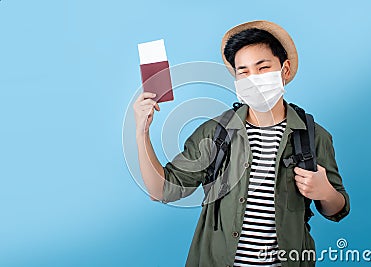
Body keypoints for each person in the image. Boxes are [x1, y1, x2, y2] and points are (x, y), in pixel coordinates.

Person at [134, 20, 350, 267]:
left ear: (285, 69)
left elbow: (337, 209)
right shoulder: (214, 133)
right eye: (243, 71)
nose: (253, 78)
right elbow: (160, 190)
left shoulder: (313, 136)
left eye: (263, 67)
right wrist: (142, 132)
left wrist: (325, 192)